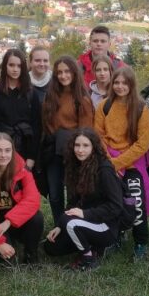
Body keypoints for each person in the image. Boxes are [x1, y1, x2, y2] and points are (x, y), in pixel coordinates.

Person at [94, 65, 149, 260]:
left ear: (131, 85)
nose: (120, 86)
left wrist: (118, 163)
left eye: (124, 83)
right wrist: (109, 162)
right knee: (112, 200)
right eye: (117, 83)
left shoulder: (140, 108)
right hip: (107, 160)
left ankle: (141, 243)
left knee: (136, 201)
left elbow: (143, 143)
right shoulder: (104, 106)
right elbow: (98, 136)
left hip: (131, 162)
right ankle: (116, 235)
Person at [43, 128, 124, 271]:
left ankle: (88, 259)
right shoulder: (74, 166)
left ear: (94, 147)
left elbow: (116, 206)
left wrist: (84, 214)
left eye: (85, 145)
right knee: (51, 247)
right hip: (83, 222)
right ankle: (91, 245)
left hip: (105, 226)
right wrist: (59, 226)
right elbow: (72, 202)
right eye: (77, 145)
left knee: (70, 223)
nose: (80, 150)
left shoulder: (105, 169)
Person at [0, 133, 45, 265]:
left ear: (13, 151)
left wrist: (9, 221)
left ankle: (31, 253)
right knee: (8, 261)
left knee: (37, 217)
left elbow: (32, 200)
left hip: (15, 221)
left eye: (7, 150)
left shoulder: (22, 169)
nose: (3, 155)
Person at [41, 55, 94, 226]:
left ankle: (72, 226)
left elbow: (85, 131)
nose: (63, 75)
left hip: (74, 153)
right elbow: (46, 122)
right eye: (59, 72)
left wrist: (70, 143)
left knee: (74, 194)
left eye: (67, 71)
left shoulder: (82, 99)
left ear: (74, 72)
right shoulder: (51, 95)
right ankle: (59, 226)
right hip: (53, 152)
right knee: (55, 194)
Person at [0, 48, 41, 171]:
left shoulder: (31, 93)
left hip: (25, 147)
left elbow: (36, 126)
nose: (15, 69)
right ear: (5, 66)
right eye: (11, 65)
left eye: (19, 66)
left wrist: (31, 157)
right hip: (1, 149)